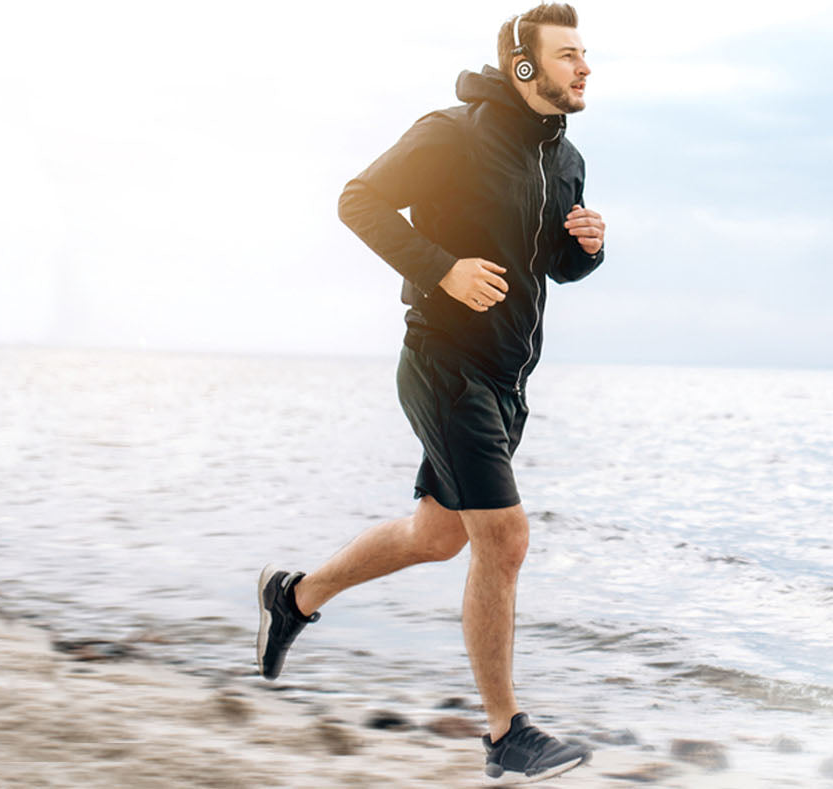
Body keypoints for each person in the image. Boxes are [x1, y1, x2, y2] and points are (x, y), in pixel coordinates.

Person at [255, 3, 605, 783]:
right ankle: (504, 733)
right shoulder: (451, 133)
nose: (585, 68)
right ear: (524, 67)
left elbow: (550, 263)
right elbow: (359, 200)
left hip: (510, 379)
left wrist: (587, 250)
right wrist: (441, 267)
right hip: (444, 362)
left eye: (587, 55)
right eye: (568, 55)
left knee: (437, 536)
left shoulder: (565, 158)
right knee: (504, 539)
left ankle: (295, 597)